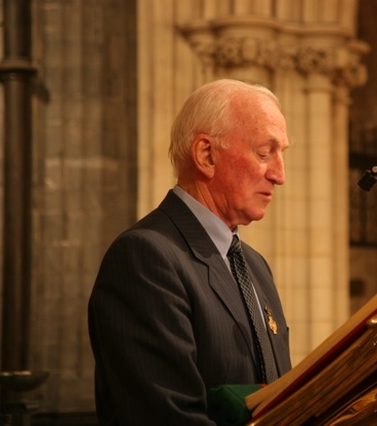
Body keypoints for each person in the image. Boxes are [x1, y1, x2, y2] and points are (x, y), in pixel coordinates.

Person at [88, 79, 292, 425]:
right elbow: (166, 417)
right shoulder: (146, 258)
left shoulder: (255, 266)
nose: (279, 174)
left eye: (282, 153)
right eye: (264, 153)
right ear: (206, 155)